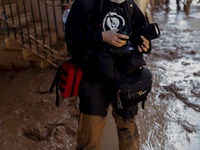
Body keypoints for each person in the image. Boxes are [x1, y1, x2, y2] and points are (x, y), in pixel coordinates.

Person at [65, 0, 152, 149]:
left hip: (126, 81)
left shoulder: (129, 5)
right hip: (94, 81)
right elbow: (71, 40)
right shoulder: (84, 4)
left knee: (129, 141)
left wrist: (145, 46)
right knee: (89, 141)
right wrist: (102, 37)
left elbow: (141, 36)